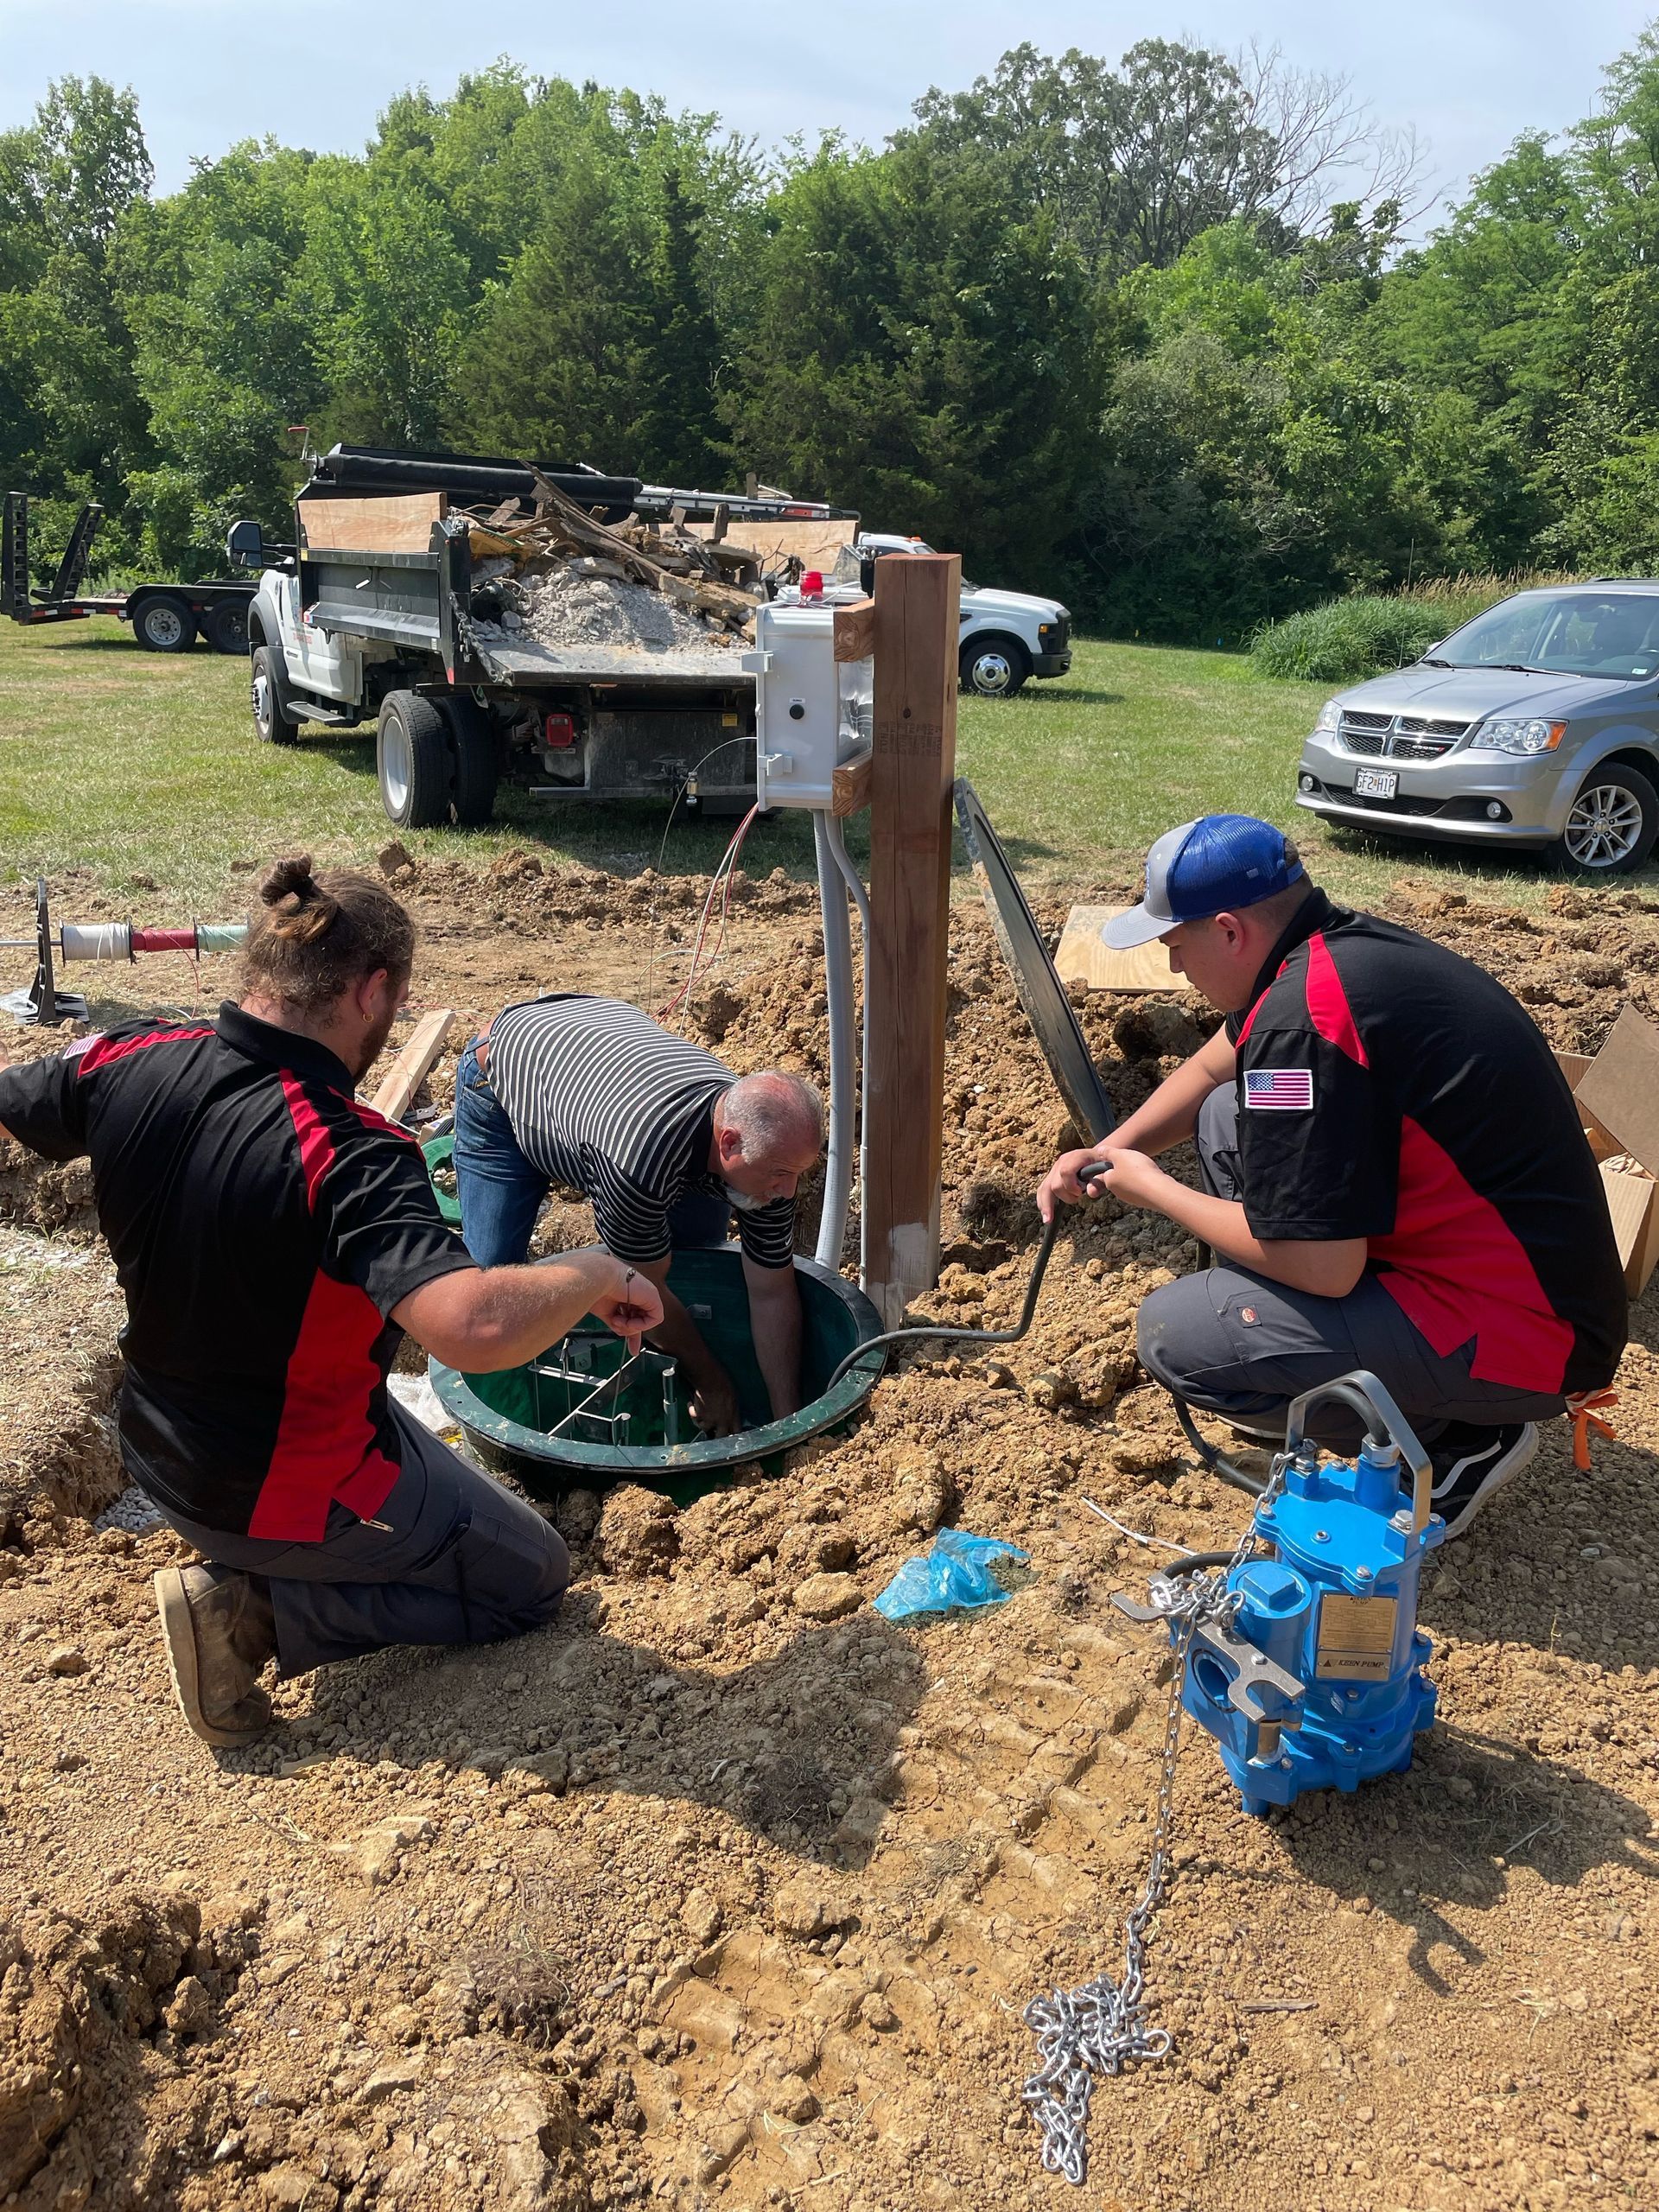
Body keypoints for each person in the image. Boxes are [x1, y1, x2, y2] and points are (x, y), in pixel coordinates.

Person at [0, 858, 662, 1747]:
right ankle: (253, 1611)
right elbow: (471, 1326)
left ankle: (262, 1571)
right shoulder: (351, 1152)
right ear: (372, 990)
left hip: (156, 1450)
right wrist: (593, 1270)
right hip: (280, 1488)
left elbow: (14, 1099)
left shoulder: (132, 1054)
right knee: (534, 1574)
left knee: (418, 1454)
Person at [1038, 814, 1626, 1538]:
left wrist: (1150, 1185)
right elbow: (1211, 1069)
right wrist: (1112, 1147)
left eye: (1176, 943)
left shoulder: (1301, 1024)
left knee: (1176, 1333)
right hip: (1513, 1281)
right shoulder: (1329, 954)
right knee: (1229, 1111)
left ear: (1229, 930)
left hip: (1530, 1336)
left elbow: (1323, 1267)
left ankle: (1452, 1442)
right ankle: (1355, 1377)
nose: (1173, 966)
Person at [452, 995, 823, 1432]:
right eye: (780, 1175)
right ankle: (512, 1413)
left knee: (692, 1255)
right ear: (729, 1144)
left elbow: (771, 1290)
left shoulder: (772, 1150)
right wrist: (711, 1380)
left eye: (798, 1173)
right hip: (506, 1069)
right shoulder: (637, 1161)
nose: (788, 1190)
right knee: (495, 1271)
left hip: (604, 1053)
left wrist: (789, 1425)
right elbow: (639, 1286)